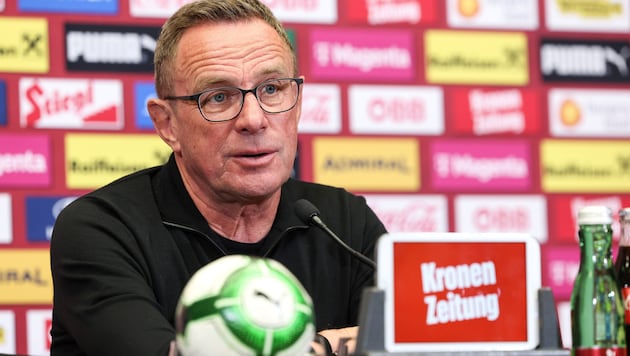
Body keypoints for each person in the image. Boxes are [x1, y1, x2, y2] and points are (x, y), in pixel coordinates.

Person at [49, 0, 387, 355]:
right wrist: (326, 346)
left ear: (298, 100)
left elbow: (415, 341)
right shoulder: (102, 229)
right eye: (219, 97)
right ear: (167, 124)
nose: (254, 119)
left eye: (272, 89)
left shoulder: (342, 222)